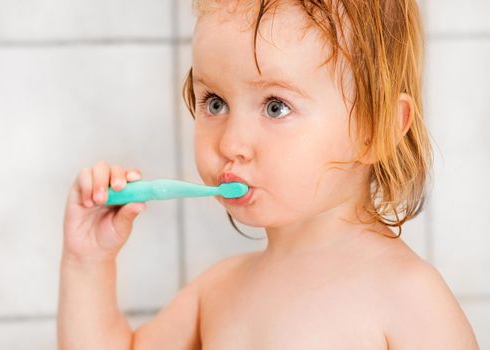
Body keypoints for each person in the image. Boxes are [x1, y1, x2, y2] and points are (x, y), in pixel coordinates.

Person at [57, 0, 480, 348]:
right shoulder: (217, 293)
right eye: (215, 103)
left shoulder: (409, 298)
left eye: (276, 106)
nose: (230, 142)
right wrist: (88, 263)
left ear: (377, 128)